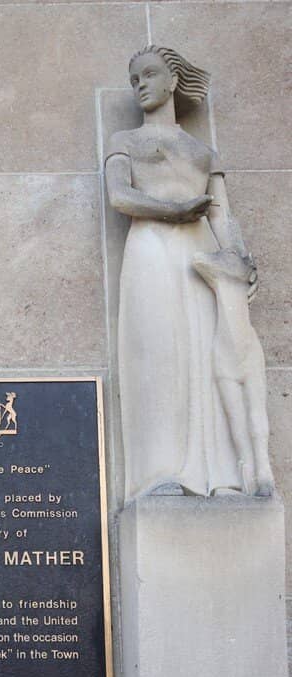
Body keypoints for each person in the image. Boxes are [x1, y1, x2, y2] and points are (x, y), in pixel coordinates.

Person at [105, 46, 273, 501]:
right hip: (152, 249)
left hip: (202, 258)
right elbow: (120, 197)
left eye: (149, 74)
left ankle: (223, 474)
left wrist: (240, 259)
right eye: (134, 78)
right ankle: (160, 472)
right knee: (160, 355)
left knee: (206, 355)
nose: (140, 84)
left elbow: (221, 215)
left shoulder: (202, 151)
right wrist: (172, 209)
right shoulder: (125, 140)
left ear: (173, 80)